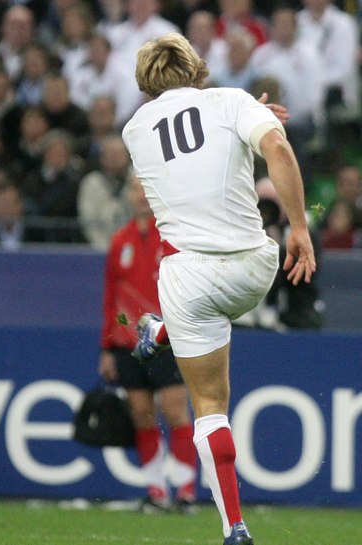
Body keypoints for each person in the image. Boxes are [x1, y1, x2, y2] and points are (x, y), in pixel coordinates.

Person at [122, 33, 315, 545]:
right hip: (253, 269)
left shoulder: (135, 128)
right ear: (198, 70)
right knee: (201, 307)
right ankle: (166, 330)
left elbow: (188, 141)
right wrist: (298, 226)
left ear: (145, 83)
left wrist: (243, 109)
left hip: (188, 280)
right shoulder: (230, 102)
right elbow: (275, 146)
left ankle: (234, 526)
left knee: (208, 406)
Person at [97, 175, 197, 514]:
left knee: (174, 409)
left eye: (145, 189)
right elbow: (111, 298)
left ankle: (185, 490)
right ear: (127, 195)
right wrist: (107, 348)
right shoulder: (119, 239)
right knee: (141, 414)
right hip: (127, 343)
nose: (140, 196)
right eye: (134, 189)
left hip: (166, 339)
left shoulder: (171, 236)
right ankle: (156, 491)